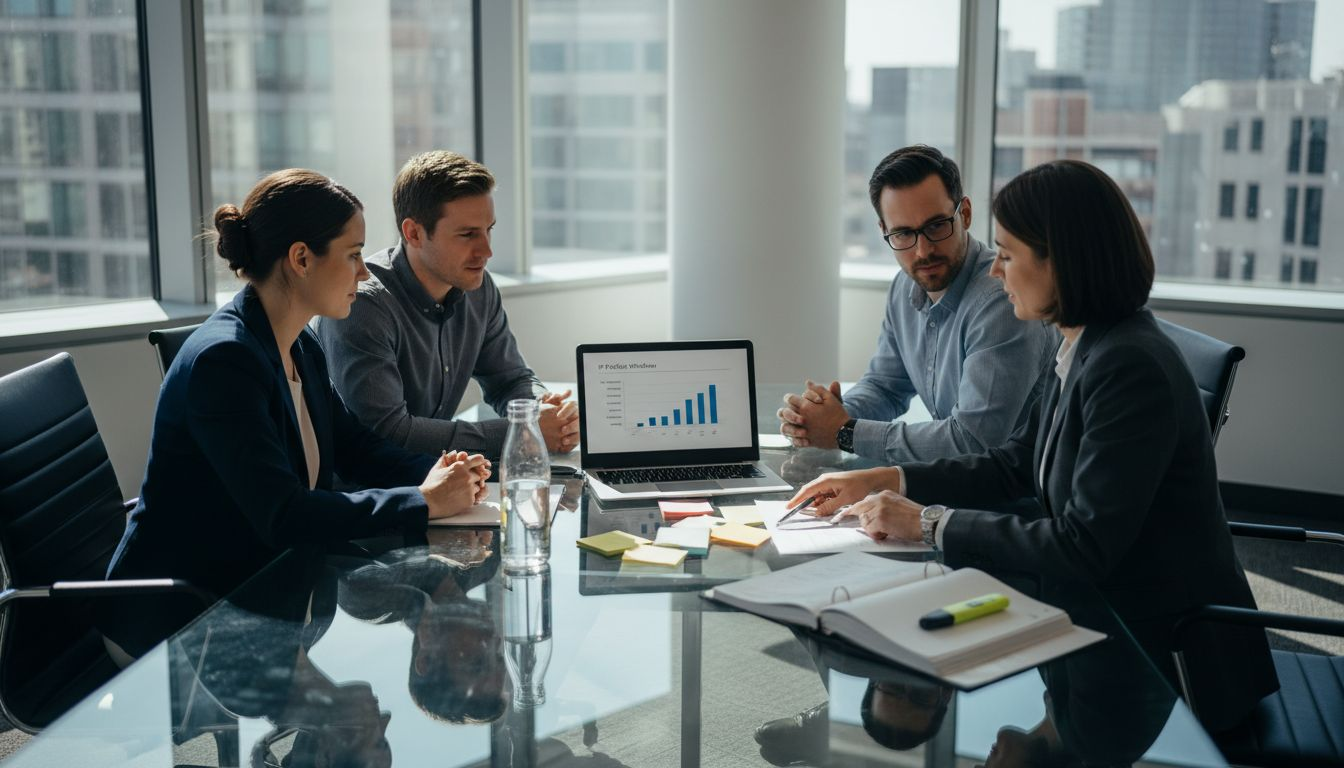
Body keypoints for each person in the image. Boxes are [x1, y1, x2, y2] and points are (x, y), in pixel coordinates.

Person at [788, 159, 1278, 734]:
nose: (995, 270)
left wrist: (926, 521)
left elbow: (1083, 545)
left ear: (1063, 263)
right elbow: (1014, 463)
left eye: (1009, 254)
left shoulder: (1129, 367)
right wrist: (882, 480)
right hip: (1094, 614)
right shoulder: (1082, 343)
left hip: (1167, 658)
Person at [104, 169, 490, 656]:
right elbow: (284, 513)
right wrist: (424, 500)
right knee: (369, 695)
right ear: (301, 259)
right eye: (352, 255)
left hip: (268, 586)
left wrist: (450, 476)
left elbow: (355, 446)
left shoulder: (298, 342)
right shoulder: (225, 361)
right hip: (185, 619)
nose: (364, 272)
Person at [779, 145, 1054, 464]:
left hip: (1011, 502)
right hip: (954, 490)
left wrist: (844, 431)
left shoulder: (1002, 300)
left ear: (964, 213)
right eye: (903, 234)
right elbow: (886, 387)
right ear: (884, 231)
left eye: (936, 226)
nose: (923, 251)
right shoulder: (905, 286)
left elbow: (973, 441)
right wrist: (825, 416)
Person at [314, 150, 579, 458]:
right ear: (414, 233)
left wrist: (547, 412)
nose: (487, 251)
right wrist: (522, 430)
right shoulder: (362, 305)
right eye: (467, 235)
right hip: (372, 492)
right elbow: (386, 433)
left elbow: (510, 380)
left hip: (444, 481)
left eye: (488, 230)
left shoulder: (478, 290)